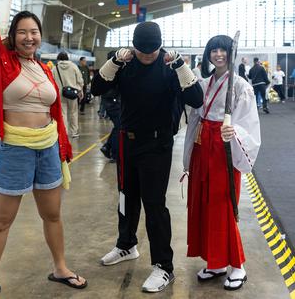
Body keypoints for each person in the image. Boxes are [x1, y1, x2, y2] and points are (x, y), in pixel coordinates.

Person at [0, 0, 87, 299]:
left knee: (53, 215)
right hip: (15, 148)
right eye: (22, 32)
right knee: (2, 221)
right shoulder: (0, 60)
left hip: (47, 147)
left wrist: (63, 149)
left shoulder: (46, 69)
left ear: (39, 37)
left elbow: (56, 115)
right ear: (13, 37)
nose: (29, 37)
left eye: (34, 32)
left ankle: (60, 267)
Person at [91, 21, 203, 293]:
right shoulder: (126, 63)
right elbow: (96, 89)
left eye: (151, 51)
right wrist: (115, 61)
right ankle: (126, 245)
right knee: (126, 197)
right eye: (141, 51)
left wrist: (180, 66)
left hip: (157, 145)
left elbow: (197, 99)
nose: (146, 56)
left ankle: (164, 267)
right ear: (134, 46)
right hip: (127, 141)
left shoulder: (169, 66)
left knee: (154, 206)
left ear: (160, 46)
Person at [183, 35, 261, 291]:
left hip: (222, 152)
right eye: (213, 50)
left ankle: (237, 265)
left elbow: (248, 123)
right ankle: (215, 261)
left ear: (231, 53)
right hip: (201, 148)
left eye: (223, 50)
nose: (218, 55)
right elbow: (194, 116)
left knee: (223, 205)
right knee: (203, 203)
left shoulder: (240, 86)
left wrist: (234, 131)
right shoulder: (204, 83)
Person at [52, 52, 84, 138]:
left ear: (58, 58)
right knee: (73, 113)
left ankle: (64, 132)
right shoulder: (74, 66)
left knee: (63, 114)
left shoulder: (55, 68)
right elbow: (80, 80)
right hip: (73, 93)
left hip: (60, 94)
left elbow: (52, 81)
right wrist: (80, 91)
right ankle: (74, 133)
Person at [99, 51, 121, 163]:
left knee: (118, 126)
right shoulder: (111, 70)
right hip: (113, 103)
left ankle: (107, 147)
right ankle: (114, 152)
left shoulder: (106, 69)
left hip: (110, 102)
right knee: (120, 127)